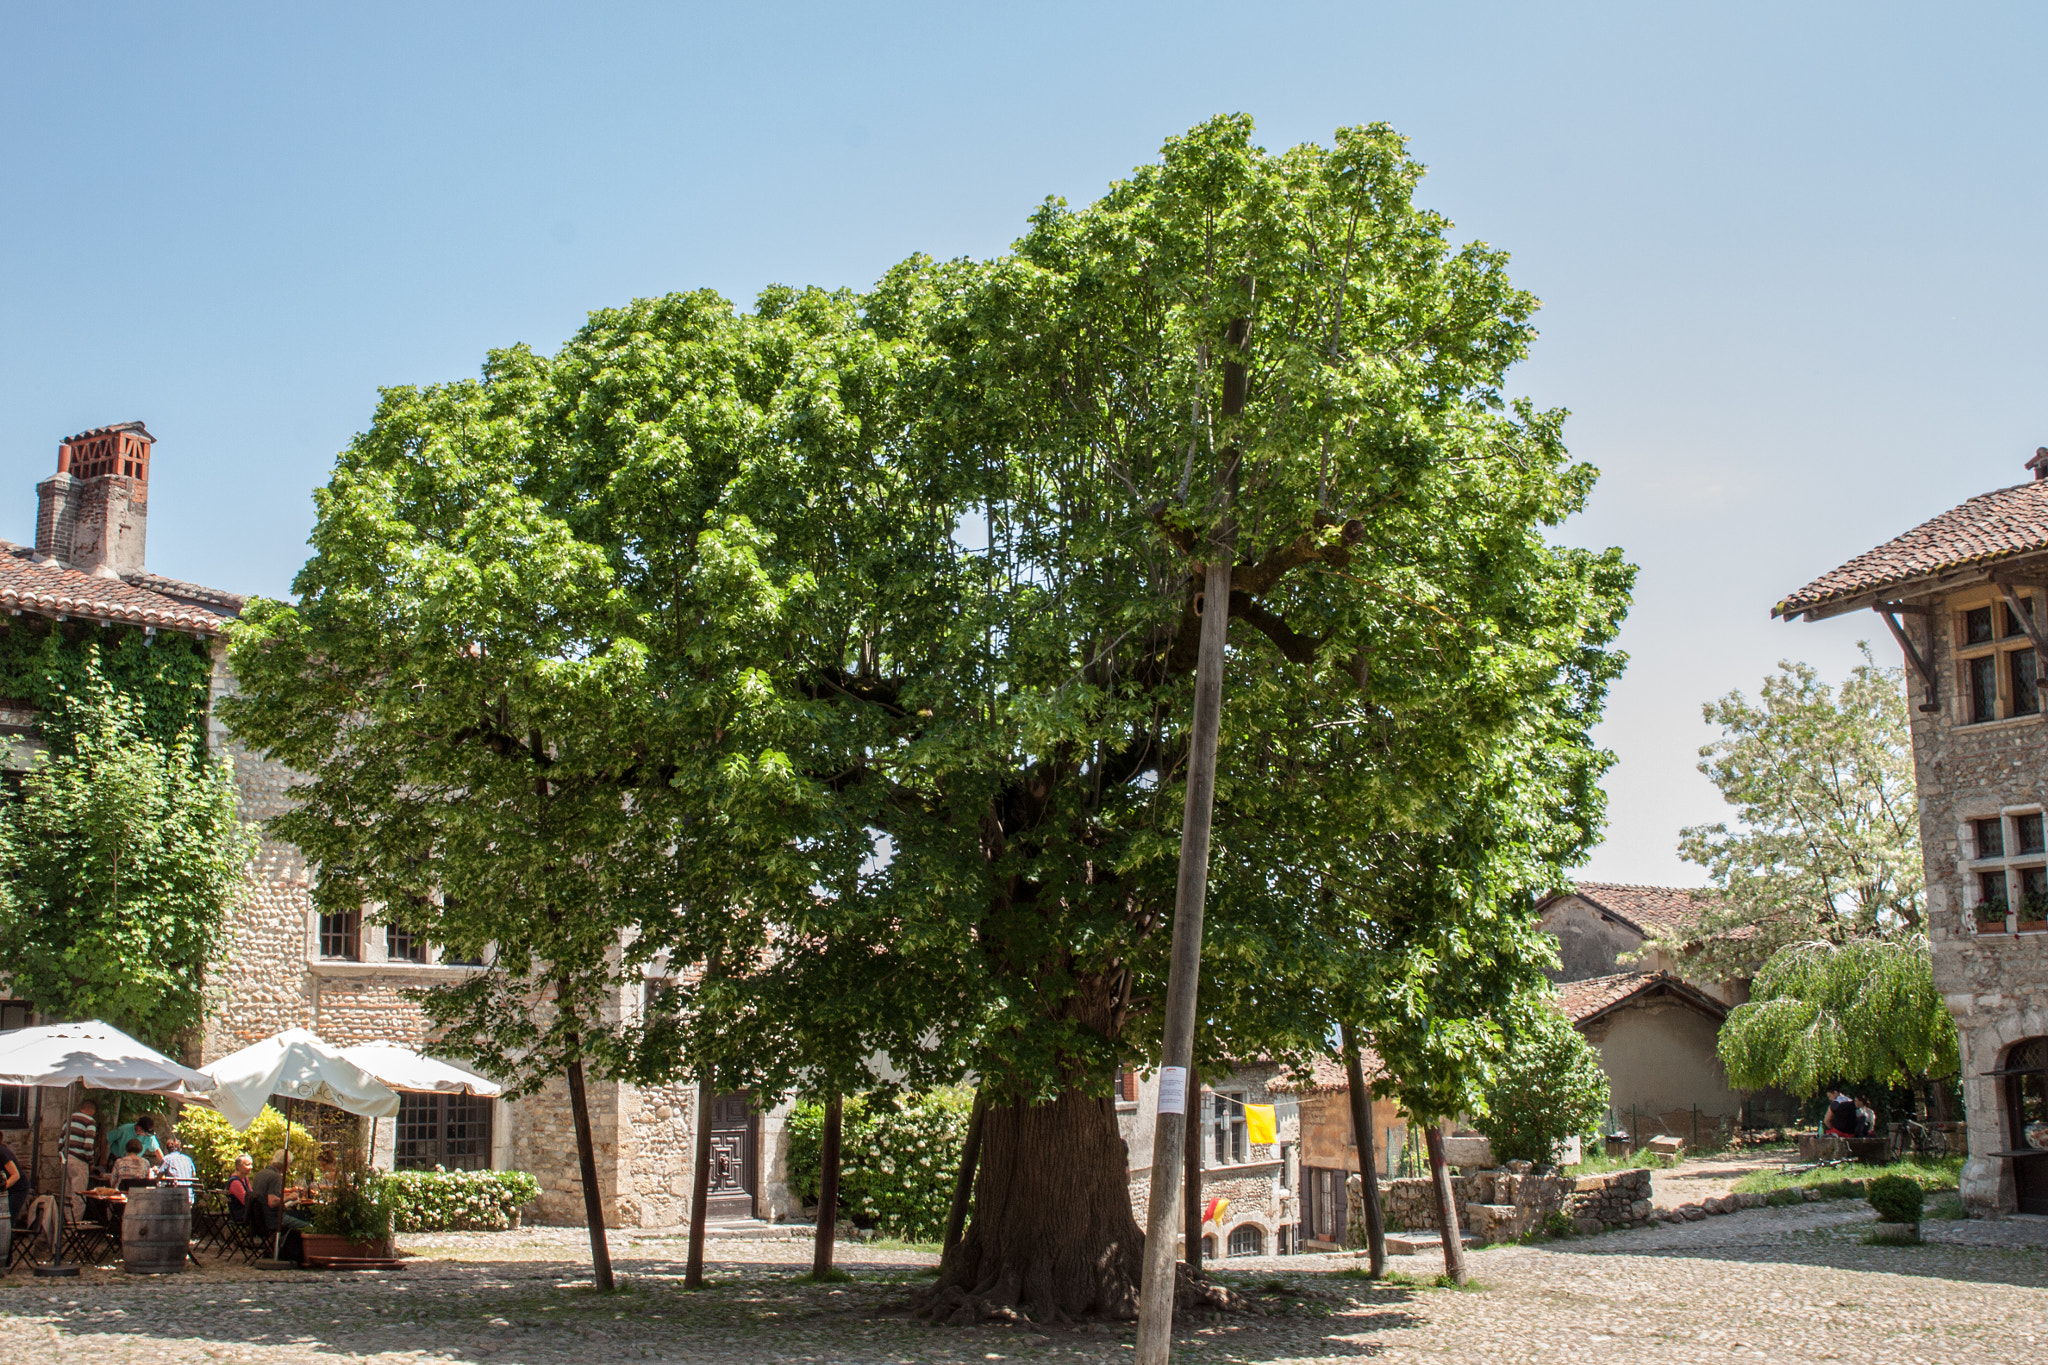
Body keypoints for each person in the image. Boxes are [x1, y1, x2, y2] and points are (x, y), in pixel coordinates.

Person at [250, 1150, 311, 1261]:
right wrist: (290, 1197)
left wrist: (286, 1194)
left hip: (259, 1217)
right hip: (274, 1218)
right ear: (286, 1164)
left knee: (302, 1214)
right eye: (290, 1164)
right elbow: (272, 1202)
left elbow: (268, 1194)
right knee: (308, 1225)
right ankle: (302, 1256)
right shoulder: (275, 1177)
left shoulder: (261, 1174)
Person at [63, 1098, 98, 1216]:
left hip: (66, 1158)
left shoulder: (69, 1118)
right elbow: (88, 1146)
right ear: (92, 1110)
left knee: (67, 1196)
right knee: (79, 1196)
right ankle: (74, 1228)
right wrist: (91, 1161)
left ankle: (65, 1227)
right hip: (79, 1160)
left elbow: (61, 1140)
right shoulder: (90, 1122)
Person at [159, 1134, 199, 1203]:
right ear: (180, 1149)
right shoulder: (188, 1159)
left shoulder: (167, 1159)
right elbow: (194, 1174)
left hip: (174, 1196)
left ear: (167, 1150)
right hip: (189, 1196)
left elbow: (159, 1176)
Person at [0, 1135, 24, 1226]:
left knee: (6, 1219)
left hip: (18, 1189)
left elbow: (15, 1175)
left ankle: (6, 1238)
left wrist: (3, 1186)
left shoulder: (2, 1152)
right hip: (7, 1189)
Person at [226, 1154, 256, 1223]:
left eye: (251, 1164)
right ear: (238, 1167)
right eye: (247, 1165)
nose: (251, 1167)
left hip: (247, 1212)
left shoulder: (245, 1179)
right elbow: (246, 1201)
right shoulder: (235, 1182)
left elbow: (251, 1195)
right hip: (240, 1214)